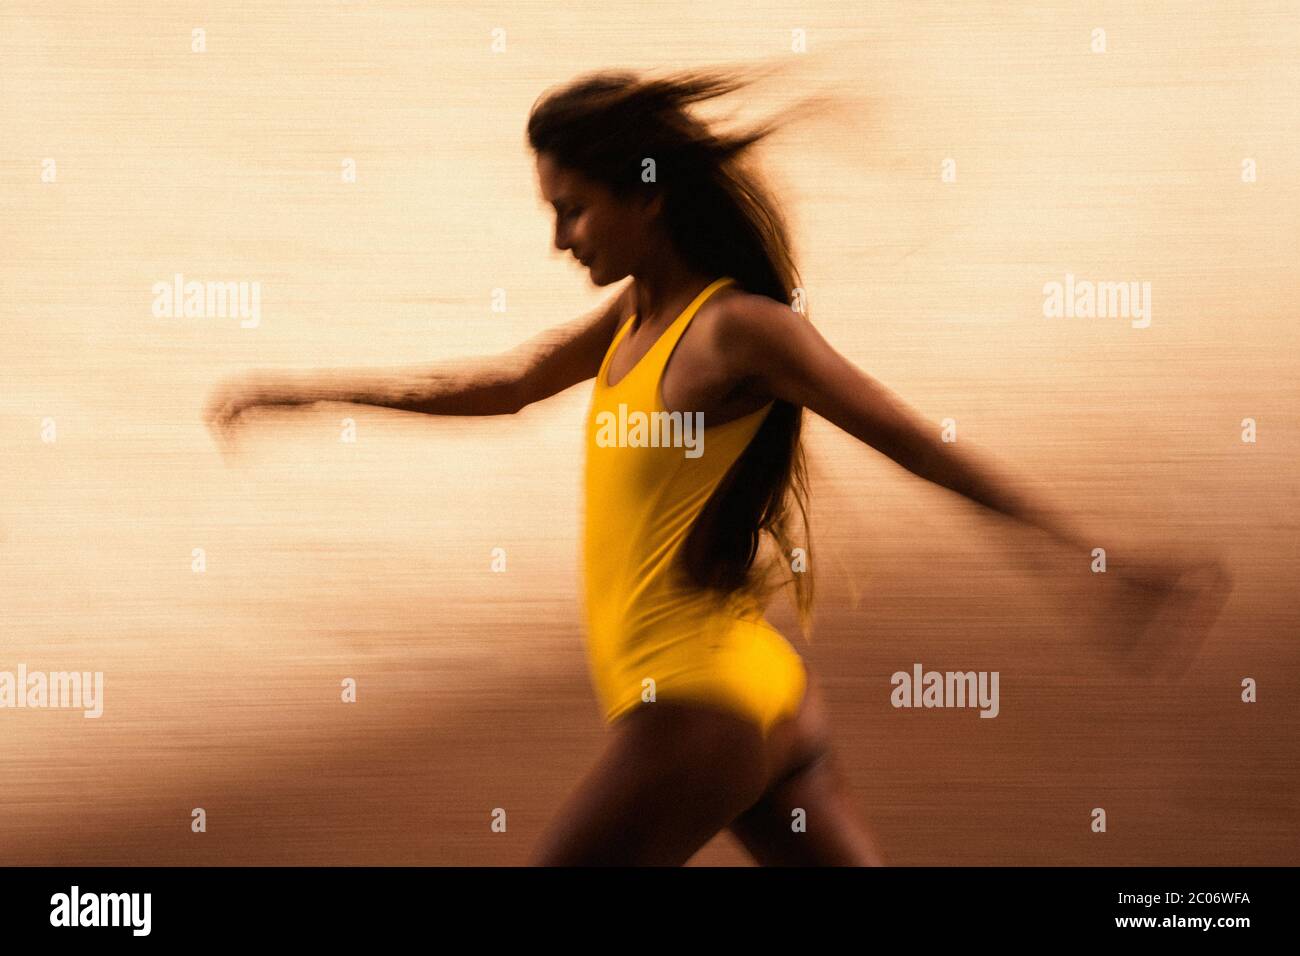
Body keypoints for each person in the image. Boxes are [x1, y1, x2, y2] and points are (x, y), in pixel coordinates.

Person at [205, 67, 1228, 866]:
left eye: (573, 208)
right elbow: (507, 382)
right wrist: (311, 391)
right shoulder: (634, 316)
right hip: (758, 697)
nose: (559, 237)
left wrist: (1094, 555)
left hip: (701, 702)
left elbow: (917, 443)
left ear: (645, 200)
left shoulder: (737, 328)